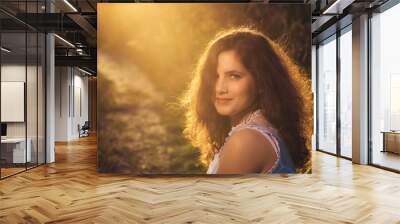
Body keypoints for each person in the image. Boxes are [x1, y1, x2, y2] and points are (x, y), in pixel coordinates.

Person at [182, 27, 312, 174]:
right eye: (215, 76)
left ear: (261, 81)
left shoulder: (245, 141)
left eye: (234, 76)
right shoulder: (266, 126)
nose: (219, 88)